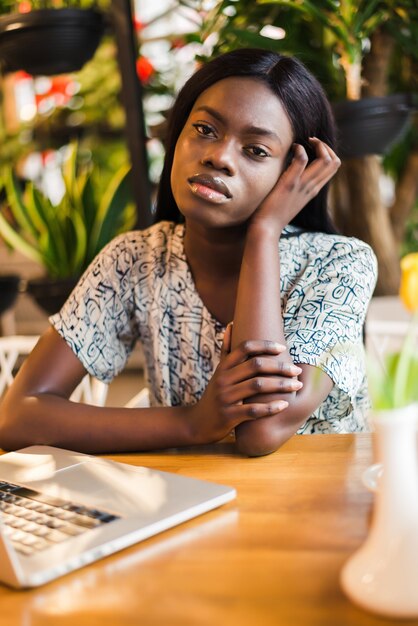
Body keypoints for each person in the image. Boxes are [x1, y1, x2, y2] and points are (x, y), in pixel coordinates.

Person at [0, 48, 377, 457]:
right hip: (193, 504)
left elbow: (259, 431)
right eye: (205, 129)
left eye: (256, 150)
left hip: (319, 510)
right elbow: (16, 418)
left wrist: (263, 232)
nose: (218, 156)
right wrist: (194, 422)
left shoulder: (338, 264)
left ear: (295, 174)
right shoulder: (135, 259)